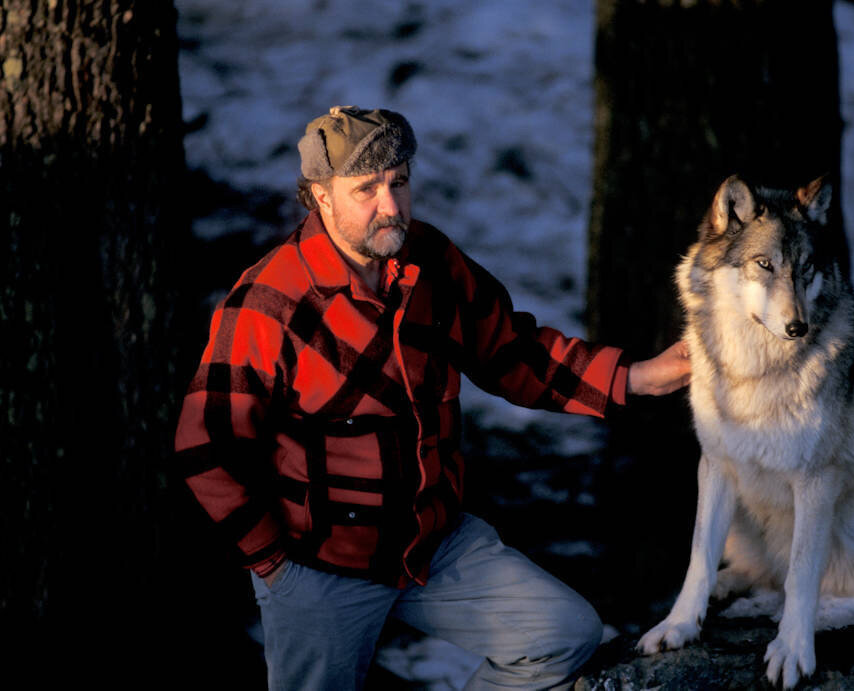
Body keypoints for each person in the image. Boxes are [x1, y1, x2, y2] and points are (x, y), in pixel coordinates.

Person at [175, 105, 691, 690]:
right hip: (319, 565)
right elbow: (204, 446)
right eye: (365, 188)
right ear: (320, 196)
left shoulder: (431, 262)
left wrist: (637, 376)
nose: (390, 205)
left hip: (432, 543)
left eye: (399, 182)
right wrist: (272, 563)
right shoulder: (271, 302)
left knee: (562, 635)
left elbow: (511, 351)